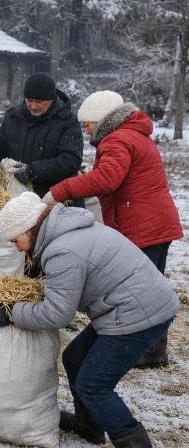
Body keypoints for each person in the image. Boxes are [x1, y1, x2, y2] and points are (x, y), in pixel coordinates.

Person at [0, 192, 178, 448]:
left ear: (30, 228)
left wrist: (13, 312)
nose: (17, 248)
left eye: (16, 240)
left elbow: (57, 314)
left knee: (94, 386)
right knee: (75, 358)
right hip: (128, 306)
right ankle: (89, 424)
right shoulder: (67, 230)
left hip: (139, 314)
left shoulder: (62, 251)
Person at [43, 90, 183, 368]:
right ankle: (154, 349)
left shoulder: (117, 139)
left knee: (142, 291)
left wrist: (61, 190)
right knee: (152, 285)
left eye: (88, 123)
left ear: (104, 120)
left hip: (142, 224)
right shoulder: (133, 135)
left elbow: (108, 178)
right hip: (155, 221)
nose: (85, 129)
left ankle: (145, 350)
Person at [0, 73, 83, 203]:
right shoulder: (14, 117)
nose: (33, 106)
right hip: (16, 198)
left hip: (54, 198)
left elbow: (71, 161)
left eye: (39, 102)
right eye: (30, 101)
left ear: (51, 100)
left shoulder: (67, 121)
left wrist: (33, 171)